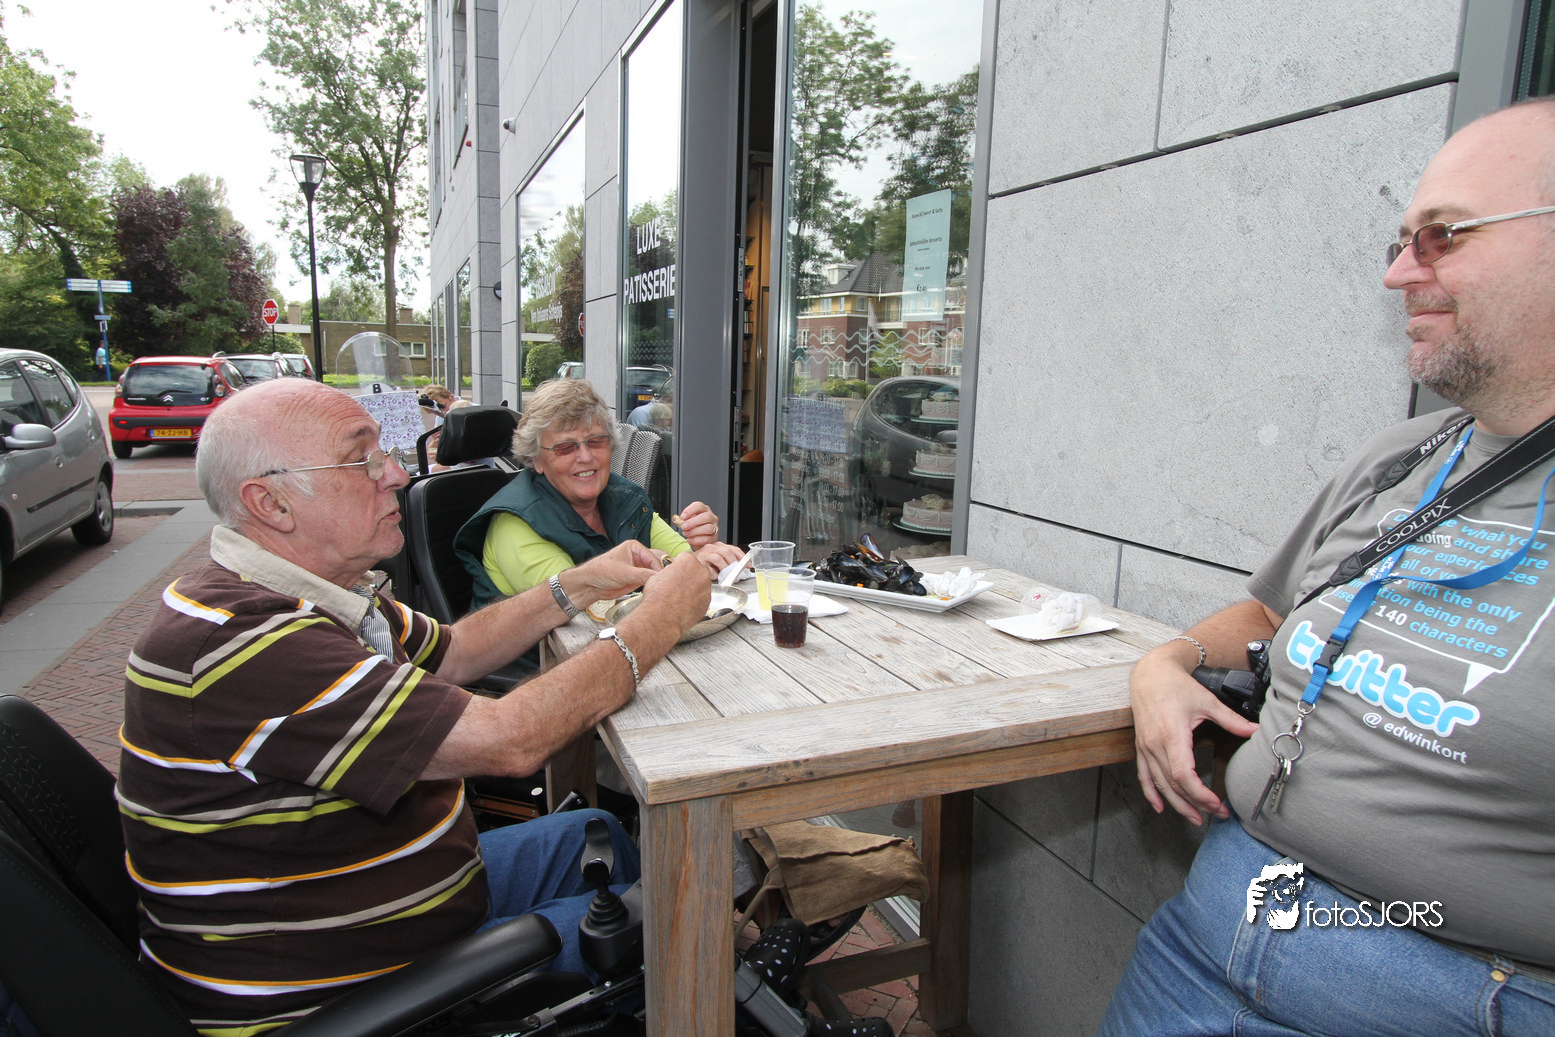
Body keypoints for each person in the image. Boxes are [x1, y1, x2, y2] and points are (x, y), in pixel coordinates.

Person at [1098, 99, 1555, 1035]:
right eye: (1400, 240)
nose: (1397, 273)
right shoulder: (1402, 458)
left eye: (1441, 235)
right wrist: (1165, 663)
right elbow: (1267, 617)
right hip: (1203, 941)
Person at [117, 377, 711, 1034]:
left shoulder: (317, 593)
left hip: (406, 896)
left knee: (594, 836)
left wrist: (578, 582)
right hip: (340, 991)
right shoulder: (246, 643)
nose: (398, 475)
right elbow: (508, 740)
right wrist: (660, 619)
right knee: (678, 924)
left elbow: (454, 649)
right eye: (363, 460)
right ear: (272, 502)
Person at [454, 378, 744, 610]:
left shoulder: (625, 496)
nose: (585, 457)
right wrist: (675, 567)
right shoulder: (515, 523)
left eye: (596, 441)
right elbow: (585, 608)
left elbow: (687, 560)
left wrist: (703, 546)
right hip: (549, 661)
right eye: (565, 447)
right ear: (537, 460)